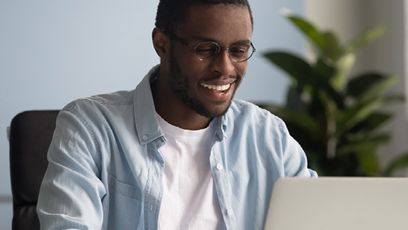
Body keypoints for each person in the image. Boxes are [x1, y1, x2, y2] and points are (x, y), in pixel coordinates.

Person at [37, 0, 317, 229]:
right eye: (206, 49)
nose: (225, 68)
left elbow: (319, 218)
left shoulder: (269, 136)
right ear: (162, 44)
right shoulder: (90, 127)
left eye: (239, 51)